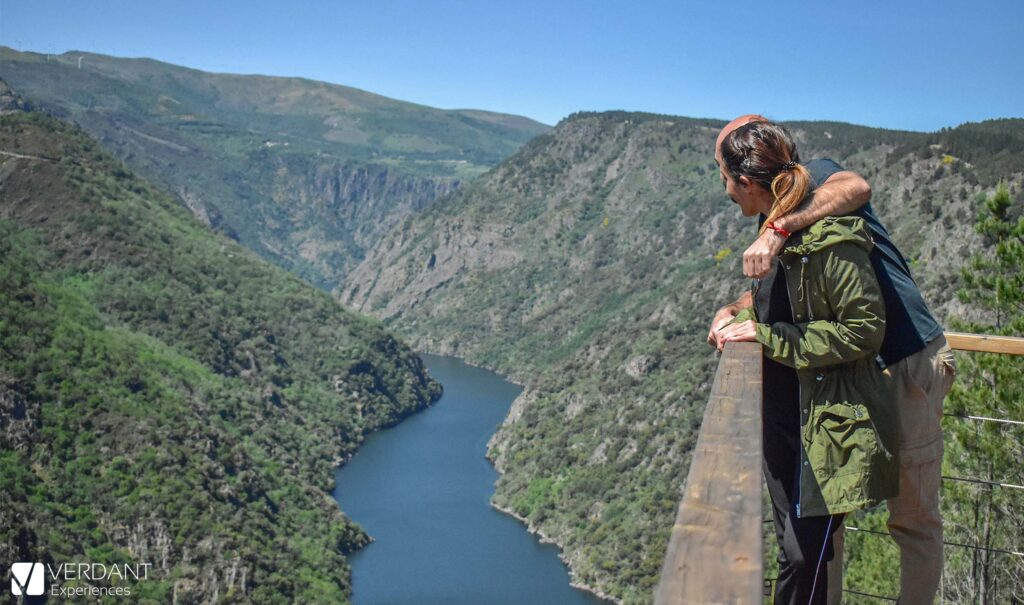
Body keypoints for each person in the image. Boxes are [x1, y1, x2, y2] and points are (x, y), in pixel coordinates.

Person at [709, 115, 956, 605]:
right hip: (845, 377)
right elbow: (787, 296)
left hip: (903, 362)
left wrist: (778, 227)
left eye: (721, 174)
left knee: (912, 518)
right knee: (826, 516)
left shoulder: (815, 176)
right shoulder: (771, 214)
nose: (724, 191)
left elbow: (858, 186)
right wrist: (734, 309)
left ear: (743, 175)